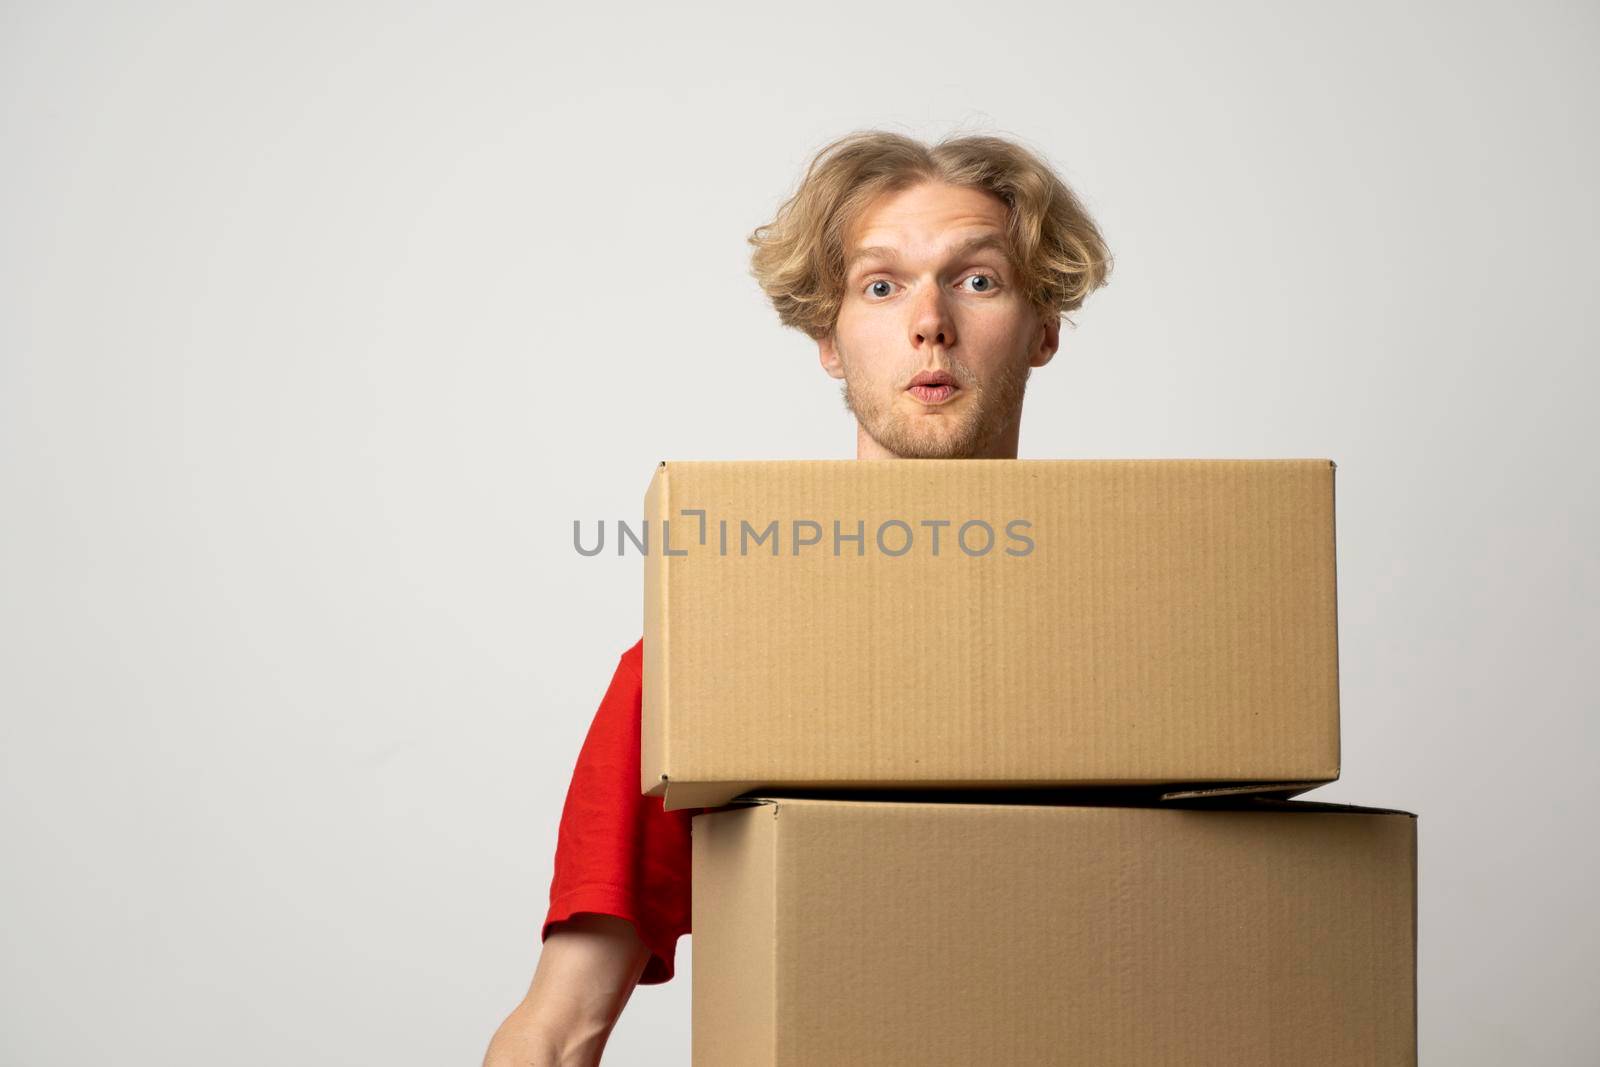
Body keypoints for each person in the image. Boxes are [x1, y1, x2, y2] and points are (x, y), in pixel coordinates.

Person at [482, 128, 1112, 1066]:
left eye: (977, 280)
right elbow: (556, 1031)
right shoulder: (703, 662)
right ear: (828, 337)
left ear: (1045, 324)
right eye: (882, 285)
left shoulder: (1138, 644)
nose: (929, 321)